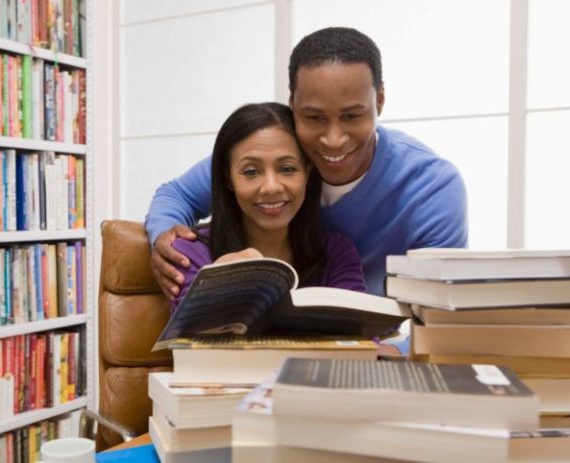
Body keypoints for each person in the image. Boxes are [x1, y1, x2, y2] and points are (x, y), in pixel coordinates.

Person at [147, 27, 467, 298]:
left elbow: (437, 309)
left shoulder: (433, 187)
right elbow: (177, 195)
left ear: (379, 101)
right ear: (293, 104)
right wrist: (164, 243)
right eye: (314, 117)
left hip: (374, 342)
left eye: (352, 116)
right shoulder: (274, 154)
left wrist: (382, 350)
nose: (333, 139)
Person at [170, 102, 366, 311]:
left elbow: (361, 336)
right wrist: (217, 281)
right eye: (251, 172)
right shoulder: (188, 253)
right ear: (229, 179)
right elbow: (189, 338)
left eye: (287, 168)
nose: (271, 187)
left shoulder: (336, 252)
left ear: (307, 173)